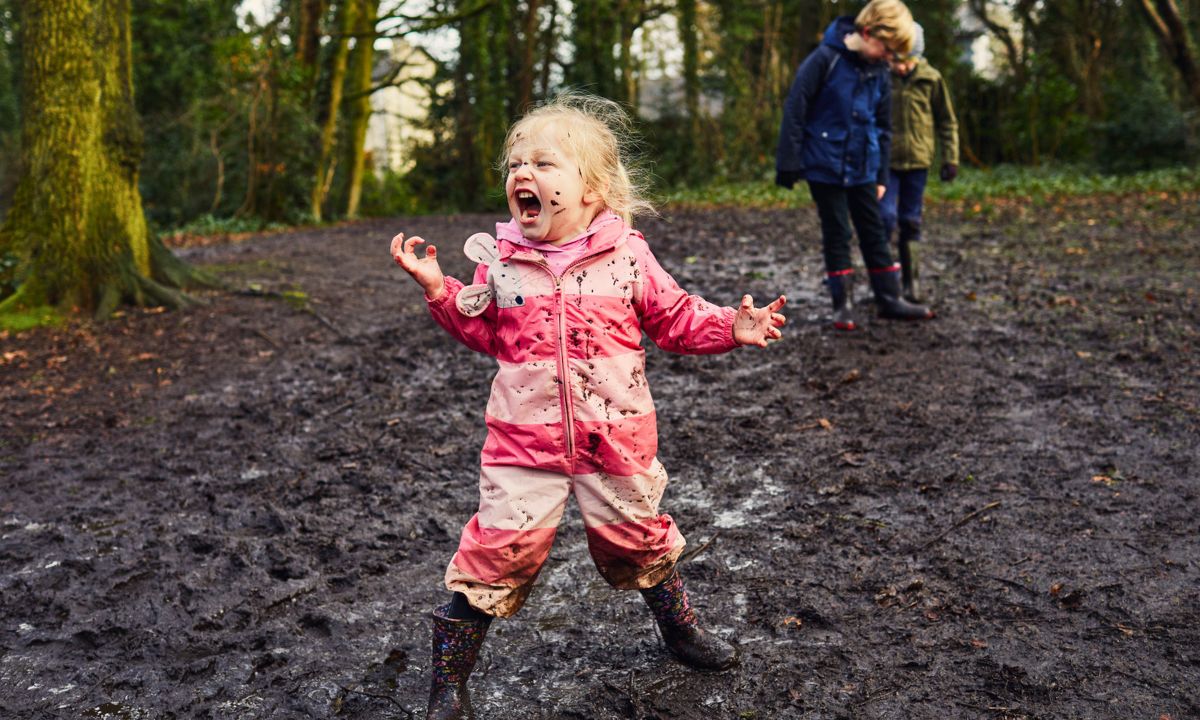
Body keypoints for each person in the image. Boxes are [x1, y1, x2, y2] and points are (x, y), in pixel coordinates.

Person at [390, 92, 787, 719]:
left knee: (639, 540)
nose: (523, 174)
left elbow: (675, 316)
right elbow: (489, 331)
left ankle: (679, 630)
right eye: (515, 166)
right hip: (523, 446)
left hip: (616, 440)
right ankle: (449, 685)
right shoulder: (505, 266)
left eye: (545, 164)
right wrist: (442, 290)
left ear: (592, 190)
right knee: (496, 552)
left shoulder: (627, 256)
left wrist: (729, 327)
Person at [775, 0, 933, 331]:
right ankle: (842, 305)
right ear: (867, 32)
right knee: (838, 231)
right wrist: (789, 162)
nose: (889, 58)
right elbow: (796, 108)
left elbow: (884, 125)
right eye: (886, 49)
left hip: (864, 165)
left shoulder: (879, 70)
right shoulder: (824, 59)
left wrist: (880, 174)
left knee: (874, 231)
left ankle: (888, 299)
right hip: (825, 164)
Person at [880, 22, 959, 303]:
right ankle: (884, 282)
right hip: (886, 163)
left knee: (910, 220)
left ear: (918, 56)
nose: (901, 66)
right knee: (884, 219)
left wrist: (950, 158)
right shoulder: (881, 77)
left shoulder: (931, 78)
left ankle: (911, 283)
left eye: (907, 59)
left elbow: (947, 121)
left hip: (918, 161)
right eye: (896, 60)